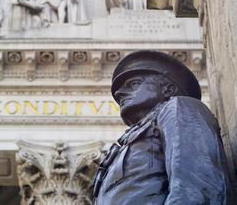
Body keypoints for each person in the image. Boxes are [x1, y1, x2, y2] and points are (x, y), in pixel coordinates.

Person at [93, 50, 233, 204]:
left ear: (168, 89)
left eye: (133, 84)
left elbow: (198, 186)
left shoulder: (178, 108)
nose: (120, 93)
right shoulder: (126, 143)